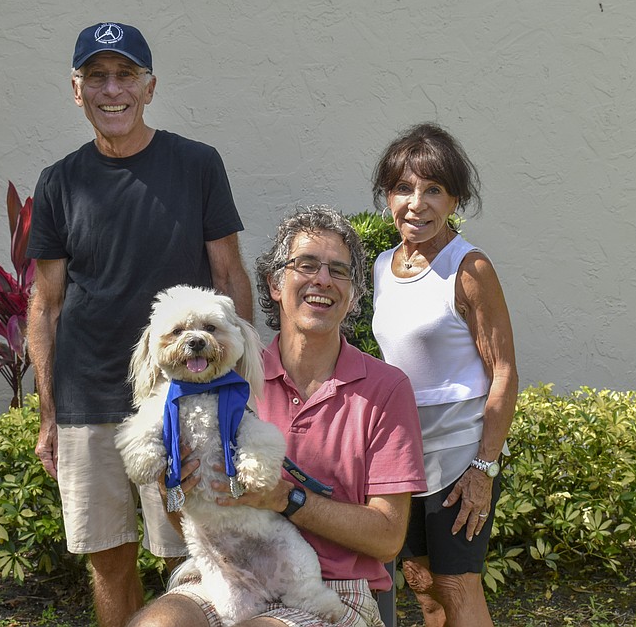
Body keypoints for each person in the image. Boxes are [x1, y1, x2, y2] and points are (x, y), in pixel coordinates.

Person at [25, 22, 252, 627]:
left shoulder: (198, 165)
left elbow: (229, 278)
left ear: (150, 87)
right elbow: (44, 306)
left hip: (184, 400)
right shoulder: (59, 182)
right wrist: (49, 414)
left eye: (125, 75)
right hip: (88, 401)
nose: (112, 89)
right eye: (96, 76)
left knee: (201, 558)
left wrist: (245, 391)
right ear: (77, 91)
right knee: (109, 561)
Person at [127, 206, 427, 627]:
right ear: (274, 283)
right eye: (306, 265)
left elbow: (389, 538)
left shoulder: (385, 389)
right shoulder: (220, 378)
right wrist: (173, 489)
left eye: (338, 271)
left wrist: (286, 499)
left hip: (336, 587)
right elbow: (186, 520)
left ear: (354, 296)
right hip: (220, 570)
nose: (322, 279)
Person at [370, 123, 518, 627]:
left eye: (433, 189)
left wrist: (485, 468)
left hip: (460, 455)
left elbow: (504, 373)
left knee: (457, 586)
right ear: (387, 196)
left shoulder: (469, 266)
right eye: (404, 188)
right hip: (400, 452)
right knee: (423, 587)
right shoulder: (381, 267)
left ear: (455, 198)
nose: (417, 203)